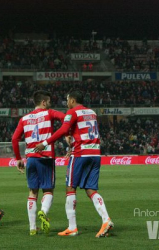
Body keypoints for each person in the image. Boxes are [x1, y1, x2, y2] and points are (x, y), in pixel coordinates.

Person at [35, 90, 114, 238]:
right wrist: (70, 145)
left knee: (70, 187)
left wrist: (45, 142)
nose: (66, 103)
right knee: (91, 189)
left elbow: (64, 129)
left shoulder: (73, 112)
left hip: (80, 155)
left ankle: (72, 227)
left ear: (72, 100)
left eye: (67, 100)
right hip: (95, 154)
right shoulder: (92, 112)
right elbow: (79, 131)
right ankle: (106, 219)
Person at [11, 90, 65, 235]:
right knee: (48, 190)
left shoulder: (24, 118)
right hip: (45, 157)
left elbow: (15, 139)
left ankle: (32, 228)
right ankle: (43, 211)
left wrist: (18, 158)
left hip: (31, 159)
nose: (50, 104)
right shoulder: (49, 113)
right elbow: (65, 118)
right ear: (43, 102)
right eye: (49, 102)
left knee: (32, 192)